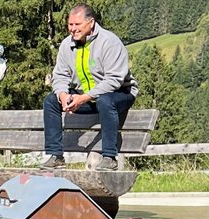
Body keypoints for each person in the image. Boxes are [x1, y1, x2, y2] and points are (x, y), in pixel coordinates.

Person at [42, 3, 138, 171]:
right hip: (84, 96)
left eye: (77, 24)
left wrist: (84, 98)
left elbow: (114, 80)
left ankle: (110, 158)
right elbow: (60, 75)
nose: (73, 29)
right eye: (70, 24)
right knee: (51, 101)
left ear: (91, 23)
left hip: (119, 93)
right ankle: (56, 156)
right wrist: (62, 95)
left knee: (105, 101)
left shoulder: (110, 42)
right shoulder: (66, 45)